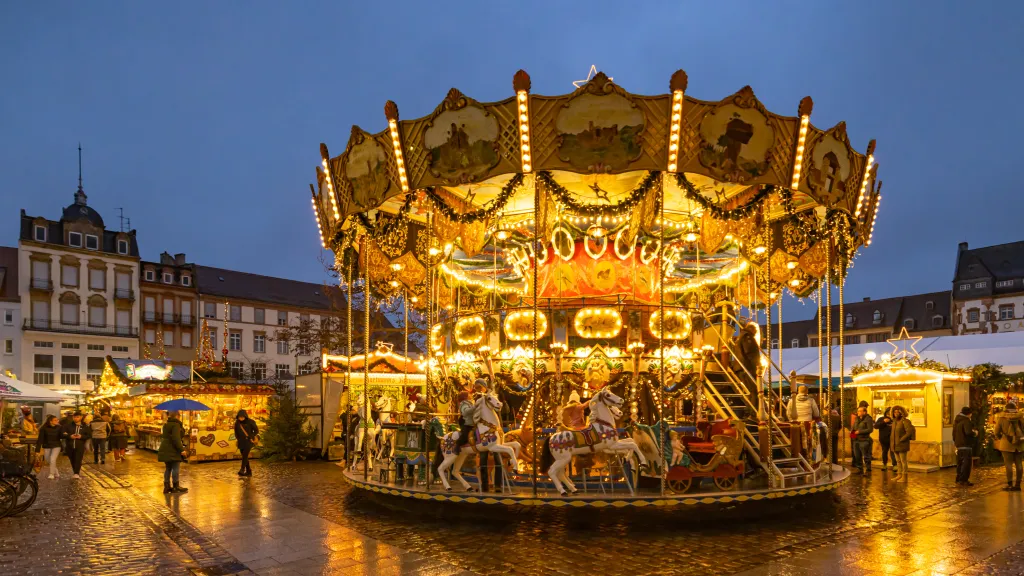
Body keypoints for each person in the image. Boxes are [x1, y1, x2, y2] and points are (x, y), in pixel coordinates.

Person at [994, 401, 1024, 491]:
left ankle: (1010, 484)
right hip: (1020, 444)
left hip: (1006, 444)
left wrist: (1002, 437)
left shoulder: (1002, 418)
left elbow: (996, 432)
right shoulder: (1021, 418)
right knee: (1019, 464)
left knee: (1008, 465)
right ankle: (1018, 484)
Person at [157, 410, 189, 494]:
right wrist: (182, 450)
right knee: (175, 467)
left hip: (165, 448)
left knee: (168, 468)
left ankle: (167, 487)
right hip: (173, 449)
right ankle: (176, 486)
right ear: (177, 416)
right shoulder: (176, 425)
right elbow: (176, 439)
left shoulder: (166, 425)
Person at [61, 411, 91, 479]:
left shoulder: (85, 426)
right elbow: (63, 434)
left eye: (77, 417)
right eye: (74, 417)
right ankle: (75, 471)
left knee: (78, 459)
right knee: (72, 459)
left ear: (81, 417)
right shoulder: (68, 425)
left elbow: (89, 435)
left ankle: (76, 473)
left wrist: (81, 436)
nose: (76, 418)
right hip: (70, 446)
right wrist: (70, 436)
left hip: (80, 445)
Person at [953, 406, 977, 486]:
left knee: (960, 463)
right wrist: (975, 433)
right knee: (966, 464)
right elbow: (968, 432)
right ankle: (964, 480)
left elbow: (954, 433)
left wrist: (956, 443)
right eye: (971, 414)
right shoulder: (966, 421)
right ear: (969, 414)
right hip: (966, 445)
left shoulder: (956, 421)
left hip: (959, 445)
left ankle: (958, 478)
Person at [890, 405, 915, 482]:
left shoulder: (905, 421)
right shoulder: (894, 422)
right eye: (894, 412)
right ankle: (899, 474)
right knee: (898, 461)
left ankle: (904, 476)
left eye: (898, 412)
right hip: (895, 445)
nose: (896, 413)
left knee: (903, 461)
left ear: (902, 413)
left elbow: (909, 432)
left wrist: (902, 439)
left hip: (902, 444)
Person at [736, 323, 760, 396]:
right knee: (753, 390)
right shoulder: (747, 336)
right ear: (751, 329)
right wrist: (756, 365)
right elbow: (750, 352)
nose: (756, 332)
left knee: (749, 389)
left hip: (741, 367)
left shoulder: (741, 336)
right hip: (747, 367)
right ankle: (752, 406)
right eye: (755, 330)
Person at [36, 415, 63, 479]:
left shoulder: (59, 428)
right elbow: (40, 439)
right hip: (47, 446)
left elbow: (62, 436)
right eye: (55, 420)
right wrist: (37, 450)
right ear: (50, 421)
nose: (57, 421)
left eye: (57, 420)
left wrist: (65, 434)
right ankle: (56, 471)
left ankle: (51, 474)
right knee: (48, 460)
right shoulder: (43, 428)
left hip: (56, 445)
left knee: (52, 459)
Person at [234, 410, 259, 477]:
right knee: (244, 456)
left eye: (242, 417)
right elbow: (236, 432)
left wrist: (251, 436)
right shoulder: (237, 423)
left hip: (249, 441)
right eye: (240, 417)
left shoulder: (251, 422)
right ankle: (248, 471)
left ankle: (242, 469)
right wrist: (238, 438)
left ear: (245, 416)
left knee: (245, 455)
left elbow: (256, 430)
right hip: (241, 442)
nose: (241, 418)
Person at [851, 405, 874, 474]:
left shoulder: (868, 419)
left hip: (864, 440)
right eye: (858, 411)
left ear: (864, 412)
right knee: (857, 455)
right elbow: (854, 427)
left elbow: (870, 429)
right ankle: (859, 468)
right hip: (856, 440)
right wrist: (852, 434)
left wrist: (860, 432)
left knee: (866, 456)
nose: (858, 412)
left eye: (859, 411)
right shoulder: (857, 419)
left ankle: (868, 469)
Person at [851, 400, 869, 469]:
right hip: (855, 433)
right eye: (866, 406)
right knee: (855, 449)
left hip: (855, 432)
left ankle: (856, 463)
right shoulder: (857, 414)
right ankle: (856, 463)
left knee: (855, 449)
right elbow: (854, 425)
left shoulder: (856, 413)